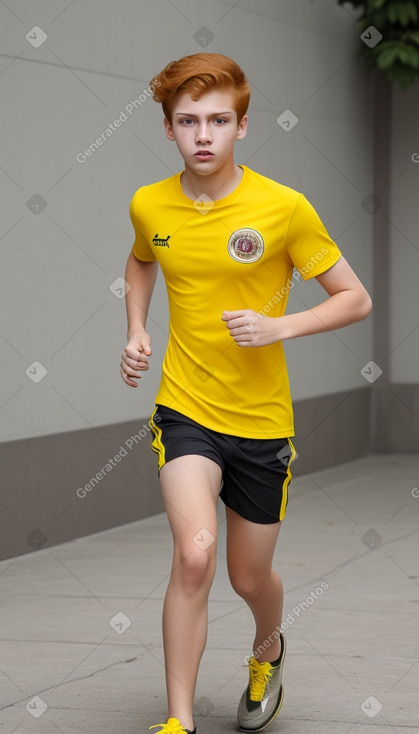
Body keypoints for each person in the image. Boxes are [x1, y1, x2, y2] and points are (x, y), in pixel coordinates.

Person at [120, 53, 372, 734]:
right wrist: (137, 328)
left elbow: (354, 298)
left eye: (218, 120)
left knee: (249, 579)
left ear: (242, 125)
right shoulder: (150, 203)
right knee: (194, 553)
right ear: (168, 128)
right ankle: (178, 719)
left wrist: (277, 325)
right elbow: (142, 260)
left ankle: (267, 652)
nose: (203, 134)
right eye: (187, 121)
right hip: (185, 411)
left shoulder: (283, 207)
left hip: (261, 425)